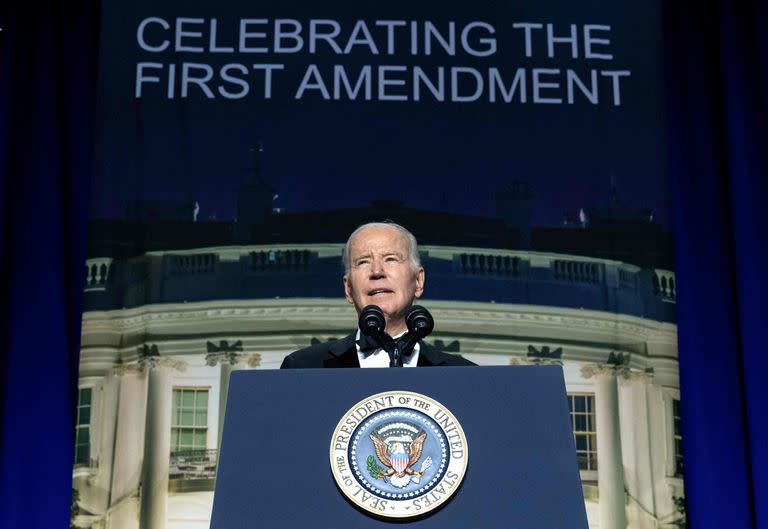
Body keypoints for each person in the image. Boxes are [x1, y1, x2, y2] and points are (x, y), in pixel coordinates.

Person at [280, 222, 475, 368]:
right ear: (348, 289)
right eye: (363, 262)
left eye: (391, 259)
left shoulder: (463, 375)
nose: (377, 271)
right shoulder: (303, 367)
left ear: (418, 281)